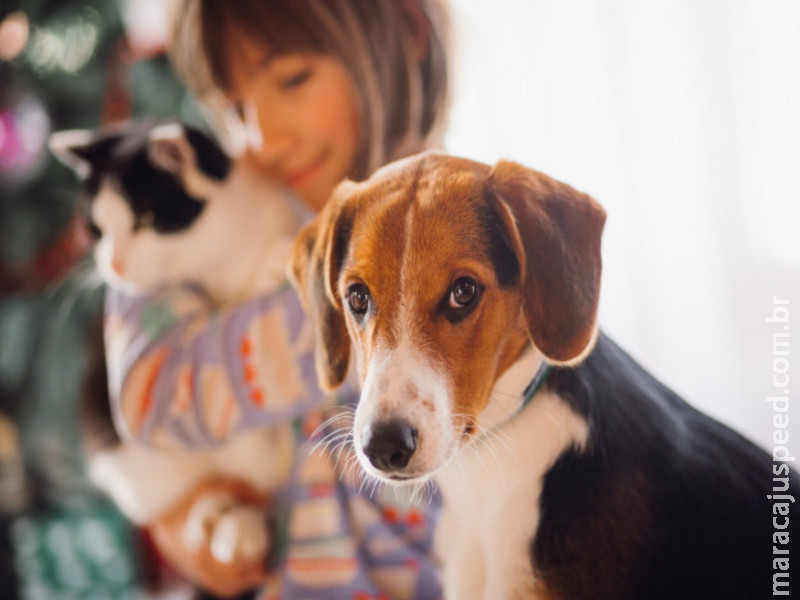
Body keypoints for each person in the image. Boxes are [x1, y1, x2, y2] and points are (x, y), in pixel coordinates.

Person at [104, 0, 452, 597]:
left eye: (292, 79)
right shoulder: (204, 218)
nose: (261, 138)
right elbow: (145, 394)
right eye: (233, 106)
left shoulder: (481, 253)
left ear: (405, 30)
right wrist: (181, 528)